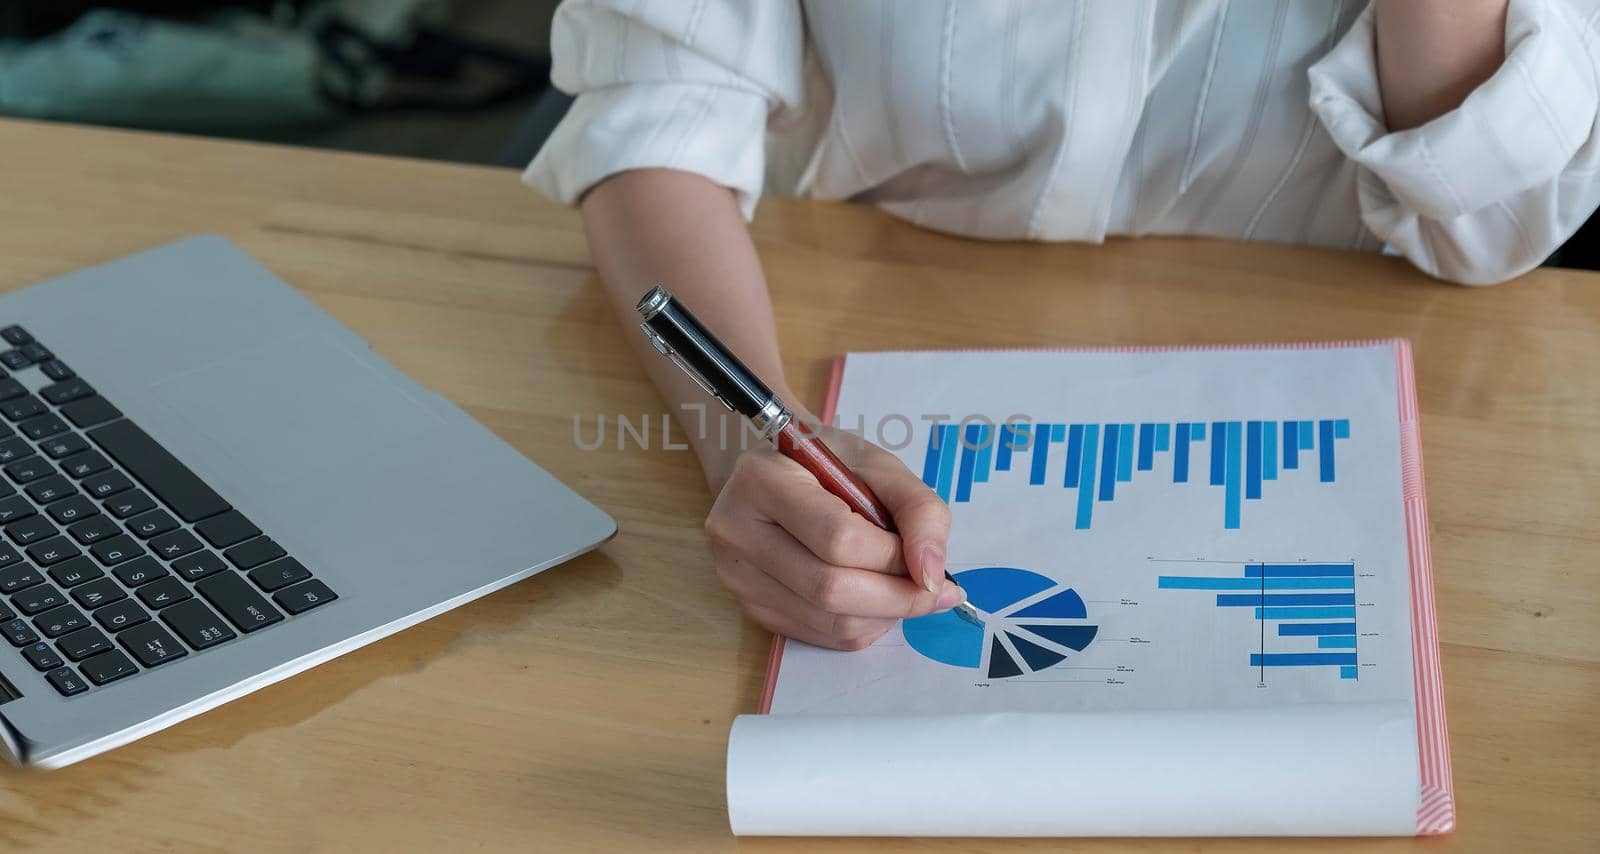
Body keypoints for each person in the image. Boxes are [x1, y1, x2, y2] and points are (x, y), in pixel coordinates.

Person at [527, 0, 1600, 650]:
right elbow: (654, 103)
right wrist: (752, 443)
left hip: (1356, 417)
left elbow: (1490, 223)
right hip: (853, 335)